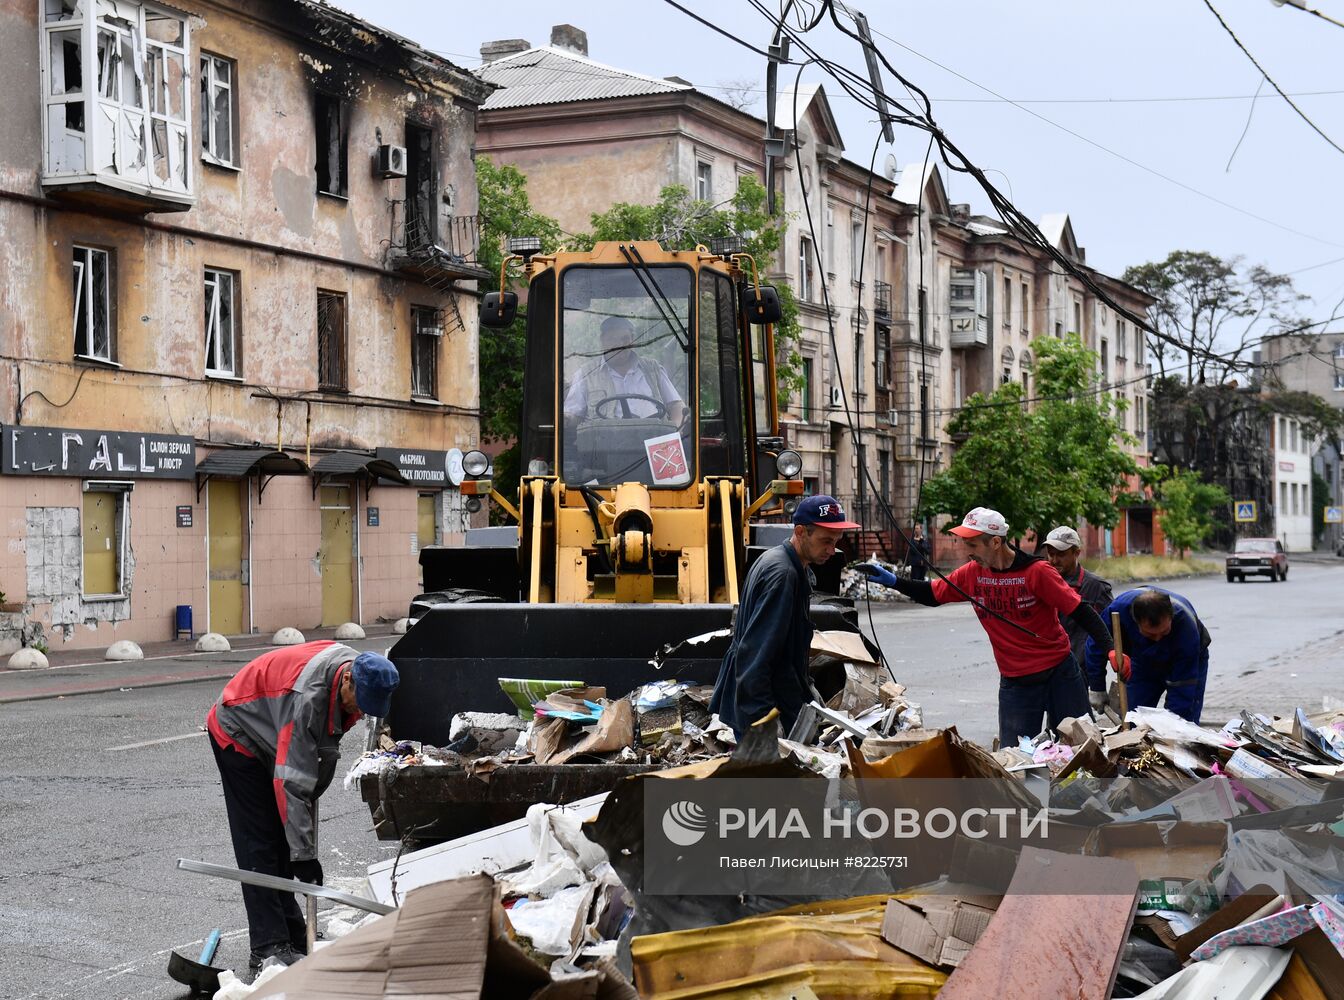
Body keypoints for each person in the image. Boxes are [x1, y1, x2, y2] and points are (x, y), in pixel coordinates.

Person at [859, 507, 1128, 746]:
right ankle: (1035, 790)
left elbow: (1080, 610)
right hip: (1015, 681)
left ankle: (1079, 790)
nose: (968, 551)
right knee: (1018, 757)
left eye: (973, 545)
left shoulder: (1037, 572)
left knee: (1079, 747)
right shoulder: (972, 573)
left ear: (996, 542)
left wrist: (1109, 649)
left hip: (1060, 673)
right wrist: (894, 581)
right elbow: (934, 594)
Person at [206, 641, 399, 970]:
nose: (360, 712)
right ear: (348, 679)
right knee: (260, 842)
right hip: (239, 730)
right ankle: (268, 944)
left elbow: (314, 758)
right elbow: (293, 783)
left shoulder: (363, 673)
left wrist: (299, 845)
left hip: (272, 729)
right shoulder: (308, 701)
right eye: (359, 702)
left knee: (283, 837)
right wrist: (305, 856)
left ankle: (295, 935)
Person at [711, 494, 861, 738]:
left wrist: (806, 688)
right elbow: (756, 653)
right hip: (763, 711)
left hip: (772, 701)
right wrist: (764, 720)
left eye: (836, 541)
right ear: (801, 532)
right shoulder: (783, 576)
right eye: (825, 541)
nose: (832, 550)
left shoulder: (783, 563)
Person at [1084, 587, 1210, 723]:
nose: (1158, 639)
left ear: (1171, 617)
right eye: (1150, 634)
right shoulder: (1119, 610)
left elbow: (1182, 688)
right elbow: (1097, 644)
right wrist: (1097, 687)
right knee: (1134, 717)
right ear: (1135, 620)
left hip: (1187, 662)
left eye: (1164, 632)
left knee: (1183, 722)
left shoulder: (1186, 627)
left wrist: (1173, 726)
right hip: (1143, 661)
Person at [562, 316, 686, 426]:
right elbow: (574, 415)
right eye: (612, 339)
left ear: (632, 340)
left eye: (625, 338)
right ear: (602, 340)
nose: (619, 344)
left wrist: (676, 432)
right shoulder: (585, 374)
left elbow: (676, 405)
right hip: (604, 443)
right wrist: (567, 418)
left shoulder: (653, 369)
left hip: (654, 440)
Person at [1041, 525, 1114, 667]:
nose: (1054, 560)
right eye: (1051, 554)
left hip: (1084, 668)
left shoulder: (1096, 586)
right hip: (1049, 666)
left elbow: (1111, 628)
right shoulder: (1041, 583)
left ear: (1077, 553)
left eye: (1061, 555)